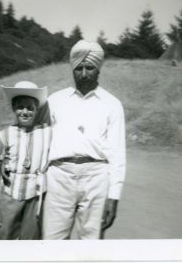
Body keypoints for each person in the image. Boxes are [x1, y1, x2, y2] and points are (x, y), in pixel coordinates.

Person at [42, 40, 126, 240]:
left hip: (96, 177)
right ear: (73, 69)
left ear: (98, 70)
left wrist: (113, 196)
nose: (84, 73)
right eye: (79, 68)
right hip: (59, 176)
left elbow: (117, 153)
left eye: (90, 68)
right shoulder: (55, 100)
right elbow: (43, 142)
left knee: (90, 244)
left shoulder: (112, 104)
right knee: (52, 241)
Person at [0, 81, 51, 240]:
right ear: (13, 108)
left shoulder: (47, 132)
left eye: (30, 107)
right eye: (20, 107)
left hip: (35, 198)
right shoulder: (5, 134)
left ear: (37, 109)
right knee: (6, 240)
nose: (25, 112)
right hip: (10, 195)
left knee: (31, 243)